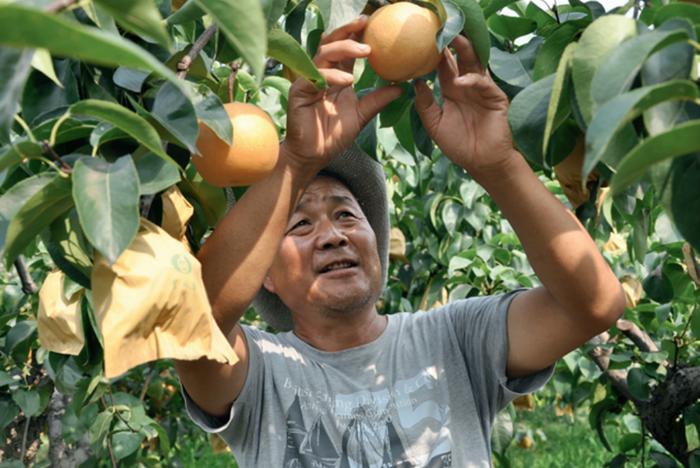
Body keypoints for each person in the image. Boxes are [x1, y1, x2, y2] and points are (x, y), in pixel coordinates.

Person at [174, 16, 626, 467]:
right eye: (300, 226)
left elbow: (593, 305)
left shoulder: (456, 340)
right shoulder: (262, 373)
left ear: (375, 239)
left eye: (346, 214)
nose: (332, 236)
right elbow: (197, 325)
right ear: (263, 274)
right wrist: (295, 159)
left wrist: (499, 165)